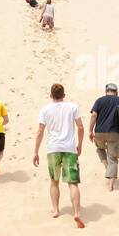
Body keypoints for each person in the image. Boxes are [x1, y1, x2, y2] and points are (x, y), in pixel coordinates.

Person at [33, 83, 84, 227]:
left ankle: (55, 209)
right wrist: (80, 144)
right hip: (69, 148)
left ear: (51, 95)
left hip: (53, 149)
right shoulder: (73, 107)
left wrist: (35, 151)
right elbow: (80, 127)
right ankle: (77, 213)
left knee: (54, 181)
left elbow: (40, 131)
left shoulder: (45, 110)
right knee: (72, 183)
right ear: (64, 95)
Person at [89, 83, 119, 191]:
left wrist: (90, 130)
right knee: (113, 158)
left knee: (99, 149)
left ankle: (107, 167)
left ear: (106, 91)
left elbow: (94, 115)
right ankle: (111, 184)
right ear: (116, 92)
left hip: (99, 133)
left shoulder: (99, 100)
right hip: (114, 133)